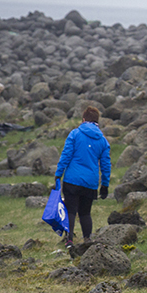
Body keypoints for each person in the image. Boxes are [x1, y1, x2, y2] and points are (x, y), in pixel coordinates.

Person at [54, 106, 111, 248]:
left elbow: (66, 155)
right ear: (97, 121)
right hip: (90, 182)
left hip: (72, 179)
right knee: (85, 213)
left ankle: (69, 240)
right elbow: (106, 165)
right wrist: (105, 185)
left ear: (83, 120)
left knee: (71, 210)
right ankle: (87, 240)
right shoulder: (103, 141)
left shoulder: (75, 134)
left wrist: (58, 174)